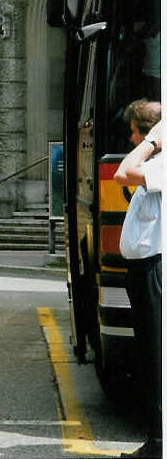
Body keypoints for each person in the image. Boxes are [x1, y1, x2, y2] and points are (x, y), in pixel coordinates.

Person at [115, 99, 162, 459]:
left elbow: (123, 174)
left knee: (157, 356)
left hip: (155, 272)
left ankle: (160, 444)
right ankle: (157, 440)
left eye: (134, 131)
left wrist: (153, 142)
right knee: (149, 356)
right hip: (142, 273)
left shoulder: (160, 163)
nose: (131, 138)